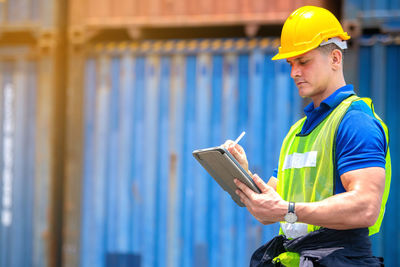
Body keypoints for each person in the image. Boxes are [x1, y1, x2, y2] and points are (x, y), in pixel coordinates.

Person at [223, 6, 391, 267]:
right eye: (291, 64)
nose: (294, 73)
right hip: (299, 258)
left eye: (304, 61)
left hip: (342, 259)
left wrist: (288, 211)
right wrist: (241, 172)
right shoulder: (297, 131)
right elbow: (271, 211)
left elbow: (365, 207)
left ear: (335, 58)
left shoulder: (355, 121)